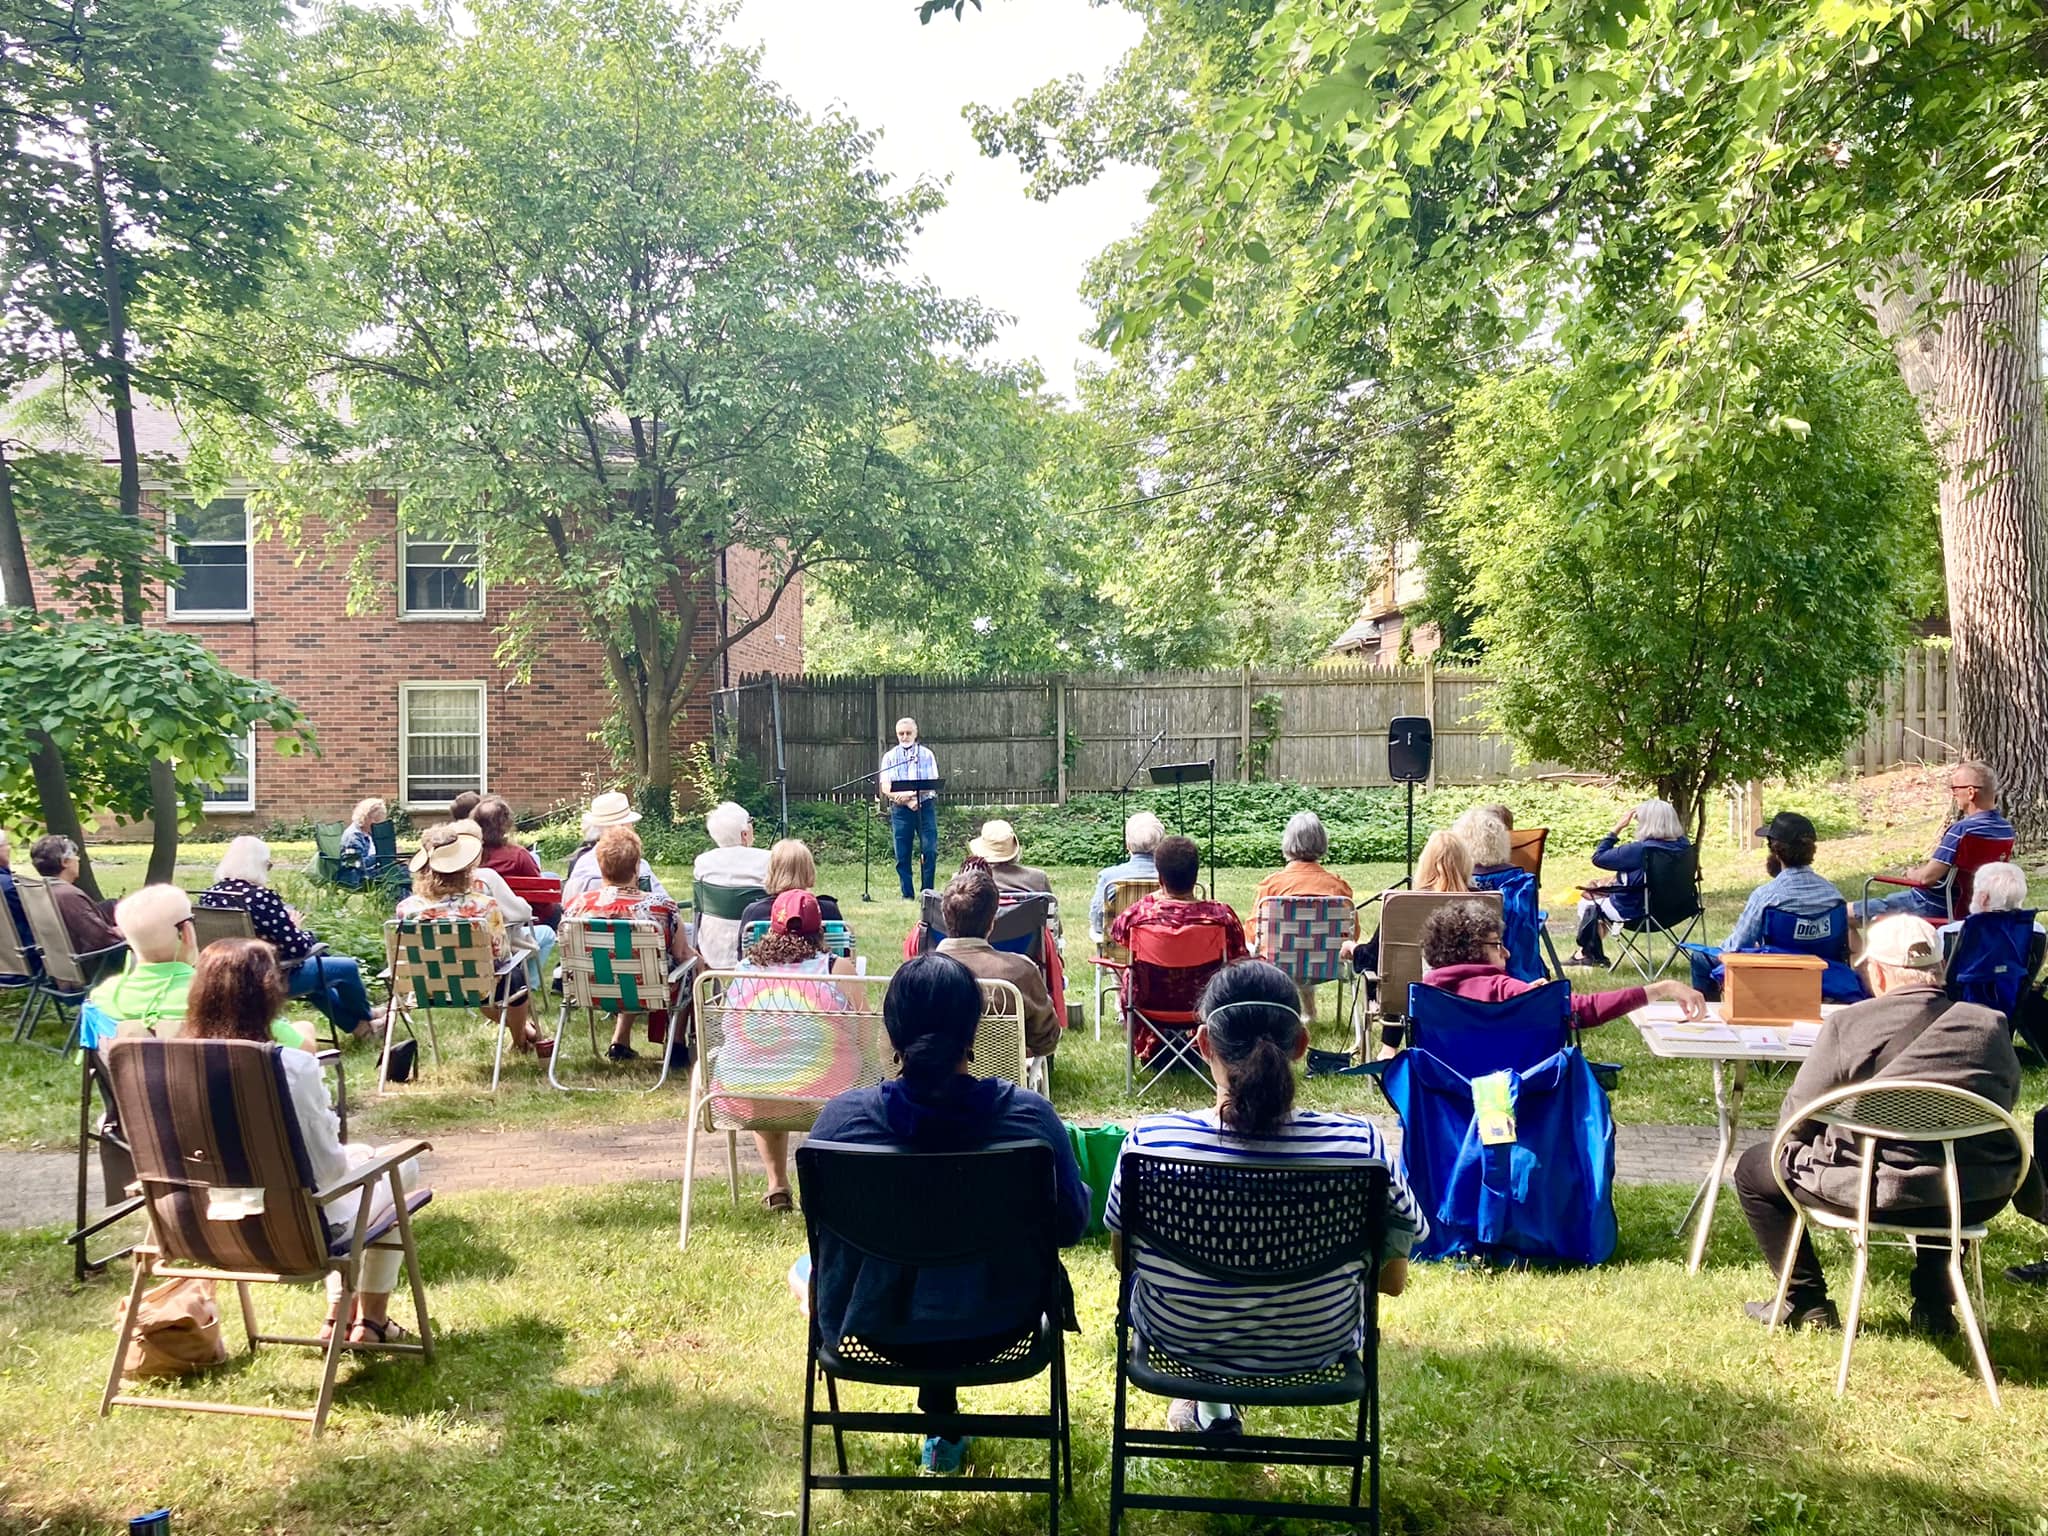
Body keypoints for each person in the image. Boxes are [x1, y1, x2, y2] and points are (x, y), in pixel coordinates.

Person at [1105, 959, 1425, 1438]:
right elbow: (1392, 1281)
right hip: (1314, 1341)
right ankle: (1215, 1409)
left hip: (1182, 1340)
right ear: (1301, 1044)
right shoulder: (1360, 1146)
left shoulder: (1149, 1145)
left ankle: (1209, 1403)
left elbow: (1123, 1260)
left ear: (1203, 1043)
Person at [806, 953, 1089, 1475]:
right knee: (944, 1271)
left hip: (873, 1328)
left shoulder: (839, 1123)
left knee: (823, 1270)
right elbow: (1070, 1226)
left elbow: (824, 1245)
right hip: (1004, 1324)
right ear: (975, 1030)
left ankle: (941, 1424)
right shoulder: (1030, 1119)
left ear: (893, 1034)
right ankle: (943, 1425)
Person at [1734, 914, 2024, 1334]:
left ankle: (1805, 1301)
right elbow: (2004, 1100)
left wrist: (1813, 1148)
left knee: (1754, 1167)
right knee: (1942, 1159)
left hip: (1874, 1190)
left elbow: (1794, 1120)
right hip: (1975, 1192)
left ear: (1880, 973)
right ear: (1939, 970)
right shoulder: (1990, 1026)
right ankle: (1934, 1307)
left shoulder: (1848, 1025)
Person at [182, 939, 423, 1346]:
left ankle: (340, 1316)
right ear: (269, 992)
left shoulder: (166, 1067)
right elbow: (327, 1171)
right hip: (296, 1230)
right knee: (398, 1170)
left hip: (201, 1226)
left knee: (365, 1164)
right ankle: (371, 1322)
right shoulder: (289, 1065)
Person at [735, 889, 857, 1211]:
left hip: (755, 1092)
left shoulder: (744, 970)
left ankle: (777, 1184)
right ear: (820, 929)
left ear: (771, 928)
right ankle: (825, 1185)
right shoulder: (837, 969)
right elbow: (865, 1031)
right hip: (826, 1093)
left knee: (762, 1072)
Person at [84, 884, 318, 1048]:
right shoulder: (221, 994)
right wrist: (304, 1030)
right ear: (186, 931)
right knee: (304, 1027)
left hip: (140, 1112)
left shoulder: (102, 997)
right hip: (218, 1112)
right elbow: (300, 1049)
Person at [1419, 899, 1705, 1029]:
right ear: (1471, 950)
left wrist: (1528, 997)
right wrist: (1660, 988)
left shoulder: (1426, 994)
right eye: (1497, 944)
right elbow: (1586, 1010)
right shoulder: (1504, 989)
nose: (1506, 953)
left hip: (1445, 1102)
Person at [398, 823, 549, 1059]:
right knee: (513, 978)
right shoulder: (484, 906)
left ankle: (524, 1034)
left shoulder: (406, 910)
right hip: (477, 986)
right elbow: (501, 956)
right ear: (465, 867)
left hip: (426, 987)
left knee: (484, 976)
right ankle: (521, 1038)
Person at [201, 836, 374, 1040]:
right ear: (258, 865)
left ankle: (359, 1028)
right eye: (268, 865)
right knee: (346, 967)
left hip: (224, 979)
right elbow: (297, 948)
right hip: (266, 979)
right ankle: (367, 1019)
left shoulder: (209, 896)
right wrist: (296, 927)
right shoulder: (261, 897)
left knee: (319, 976)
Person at [560, 825, 697, 1063]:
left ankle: (620, 1041)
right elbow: (682, 953)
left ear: (600, 866)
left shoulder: (576, 907)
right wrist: (700, 961)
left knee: (625, 965)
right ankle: (675, 1044)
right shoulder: (660, 907)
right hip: (648, 989)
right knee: (684, 967)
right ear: (636, 867)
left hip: (591, 990)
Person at [1685, 812, 1847, 997]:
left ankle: (1710, 1019)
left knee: (1700, 959)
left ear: (1775, 851)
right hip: (1822, 977)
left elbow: (1736, 947)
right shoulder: (1834, 896)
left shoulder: (1766, 896)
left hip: (1773, 975)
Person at [931, 865, 1061, 1061]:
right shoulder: (1020, 971)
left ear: (944, 916)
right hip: (1002, 1083)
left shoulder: (913, 975)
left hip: (931, 1085)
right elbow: (1046, 1040)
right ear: (992, 921)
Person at [1857, 762, 2015, 921]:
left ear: (1971, 792)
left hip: (1932, 905)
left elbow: (1928, 878)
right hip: (1976, 909)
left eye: (1955, 788)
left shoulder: (1962, 831)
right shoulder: (2006, 831)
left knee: (1845, 914)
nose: (1953, 794)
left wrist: (1911, 873)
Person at [1250, 810, 1358, 1014]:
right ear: (1322, 841)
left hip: (1277, 963)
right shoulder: (1338, 888)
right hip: (1329, 966)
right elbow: (1353, 935)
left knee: (1282, 949)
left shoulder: (1272, 887)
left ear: (1287, 841)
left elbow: (1254, 932)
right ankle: (1309, 1011)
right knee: (1307, 952)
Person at [1350, 828, 1472, 1002]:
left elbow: (1372, 959)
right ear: (1466, 863)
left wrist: (1353, 949)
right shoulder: (1483, 903)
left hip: (1405, 999)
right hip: (1467, 997)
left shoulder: (1401, 905)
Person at [1567, 799, 1691, 967]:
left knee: (1588, 903)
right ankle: (1585, 953)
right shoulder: (1685, 847)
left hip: (1639, 912)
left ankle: (1588, 955)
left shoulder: (1640, 850)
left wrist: (1617, 828)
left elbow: (1598, 857)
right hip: (1678, 910)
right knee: (1599, 902)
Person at [693, 799, 772, 968]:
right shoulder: (769, 860)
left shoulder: (703, 862)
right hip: (759, 950)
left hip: (712, 949)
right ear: (744, 834)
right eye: (750, 822)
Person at [564, 791, 674, 902]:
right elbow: (665, 901)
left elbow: (567, 904)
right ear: (623, 827)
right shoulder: (641, 867)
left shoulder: (582, 865)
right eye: (631, 823)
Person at [28, 834, 121, 958]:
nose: (78, 859)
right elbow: (102, 939)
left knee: (113, 904)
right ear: (65, 862)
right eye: (75, 856)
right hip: (93, 963)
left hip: (60, 962)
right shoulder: (67, 896)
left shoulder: (39, 890)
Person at [969, 817, 1061, 942]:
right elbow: (1055, 928)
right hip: (1028, 951)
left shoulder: (965, 880)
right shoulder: (1037, 878)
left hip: (978, 952)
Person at [474, 796, 562, 924]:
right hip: (523, 920)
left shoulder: (470, 856)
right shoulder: (518, 855)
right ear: (506, 824)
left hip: (482, 919)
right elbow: (542, 901)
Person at [880, 716, 940, 900]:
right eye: (901, 733)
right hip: (900, 810)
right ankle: (907, 894)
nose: (904, 736)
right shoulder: (890, 757)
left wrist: (912, 796)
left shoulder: (927, 755)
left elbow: (932, 783)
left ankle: (927, 892)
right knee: (902, 853)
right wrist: (905, 801)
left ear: (915, 733)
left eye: (908, 733)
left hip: (925, 807)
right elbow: (885, 787)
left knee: (929, 850)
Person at [739, 838, 848, 933]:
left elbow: (743, 954)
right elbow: (844, 952)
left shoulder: (755, 912)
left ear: (772, 871)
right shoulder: (828, 909)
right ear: (809, 871)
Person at [1090, 810, 1165, 942]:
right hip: (1160, 953)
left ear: (1128, 844)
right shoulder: (1171, 878)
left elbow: (1097, 921)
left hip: (1118, 955)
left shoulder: (1110, 877)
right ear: (1161, 845)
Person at [0, 829, 36, 982]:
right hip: (26, 962)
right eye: (7, 845)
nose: (9, 849)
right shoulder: (8, 886)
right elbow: (38, 918)